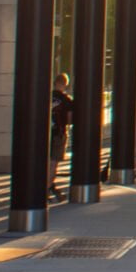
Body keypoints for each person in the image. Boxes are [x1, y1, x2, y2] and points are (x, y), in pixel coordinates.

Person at [48, 73, 75, 201]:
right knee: (53, 163)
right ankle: (47, 188)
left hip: (45, 133)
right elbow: (70, 120)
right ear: (65, 84)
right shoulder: (66, 100)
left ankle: (47, 186)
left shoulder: (47, 96)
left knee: (45, 162)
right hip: (58, 133)